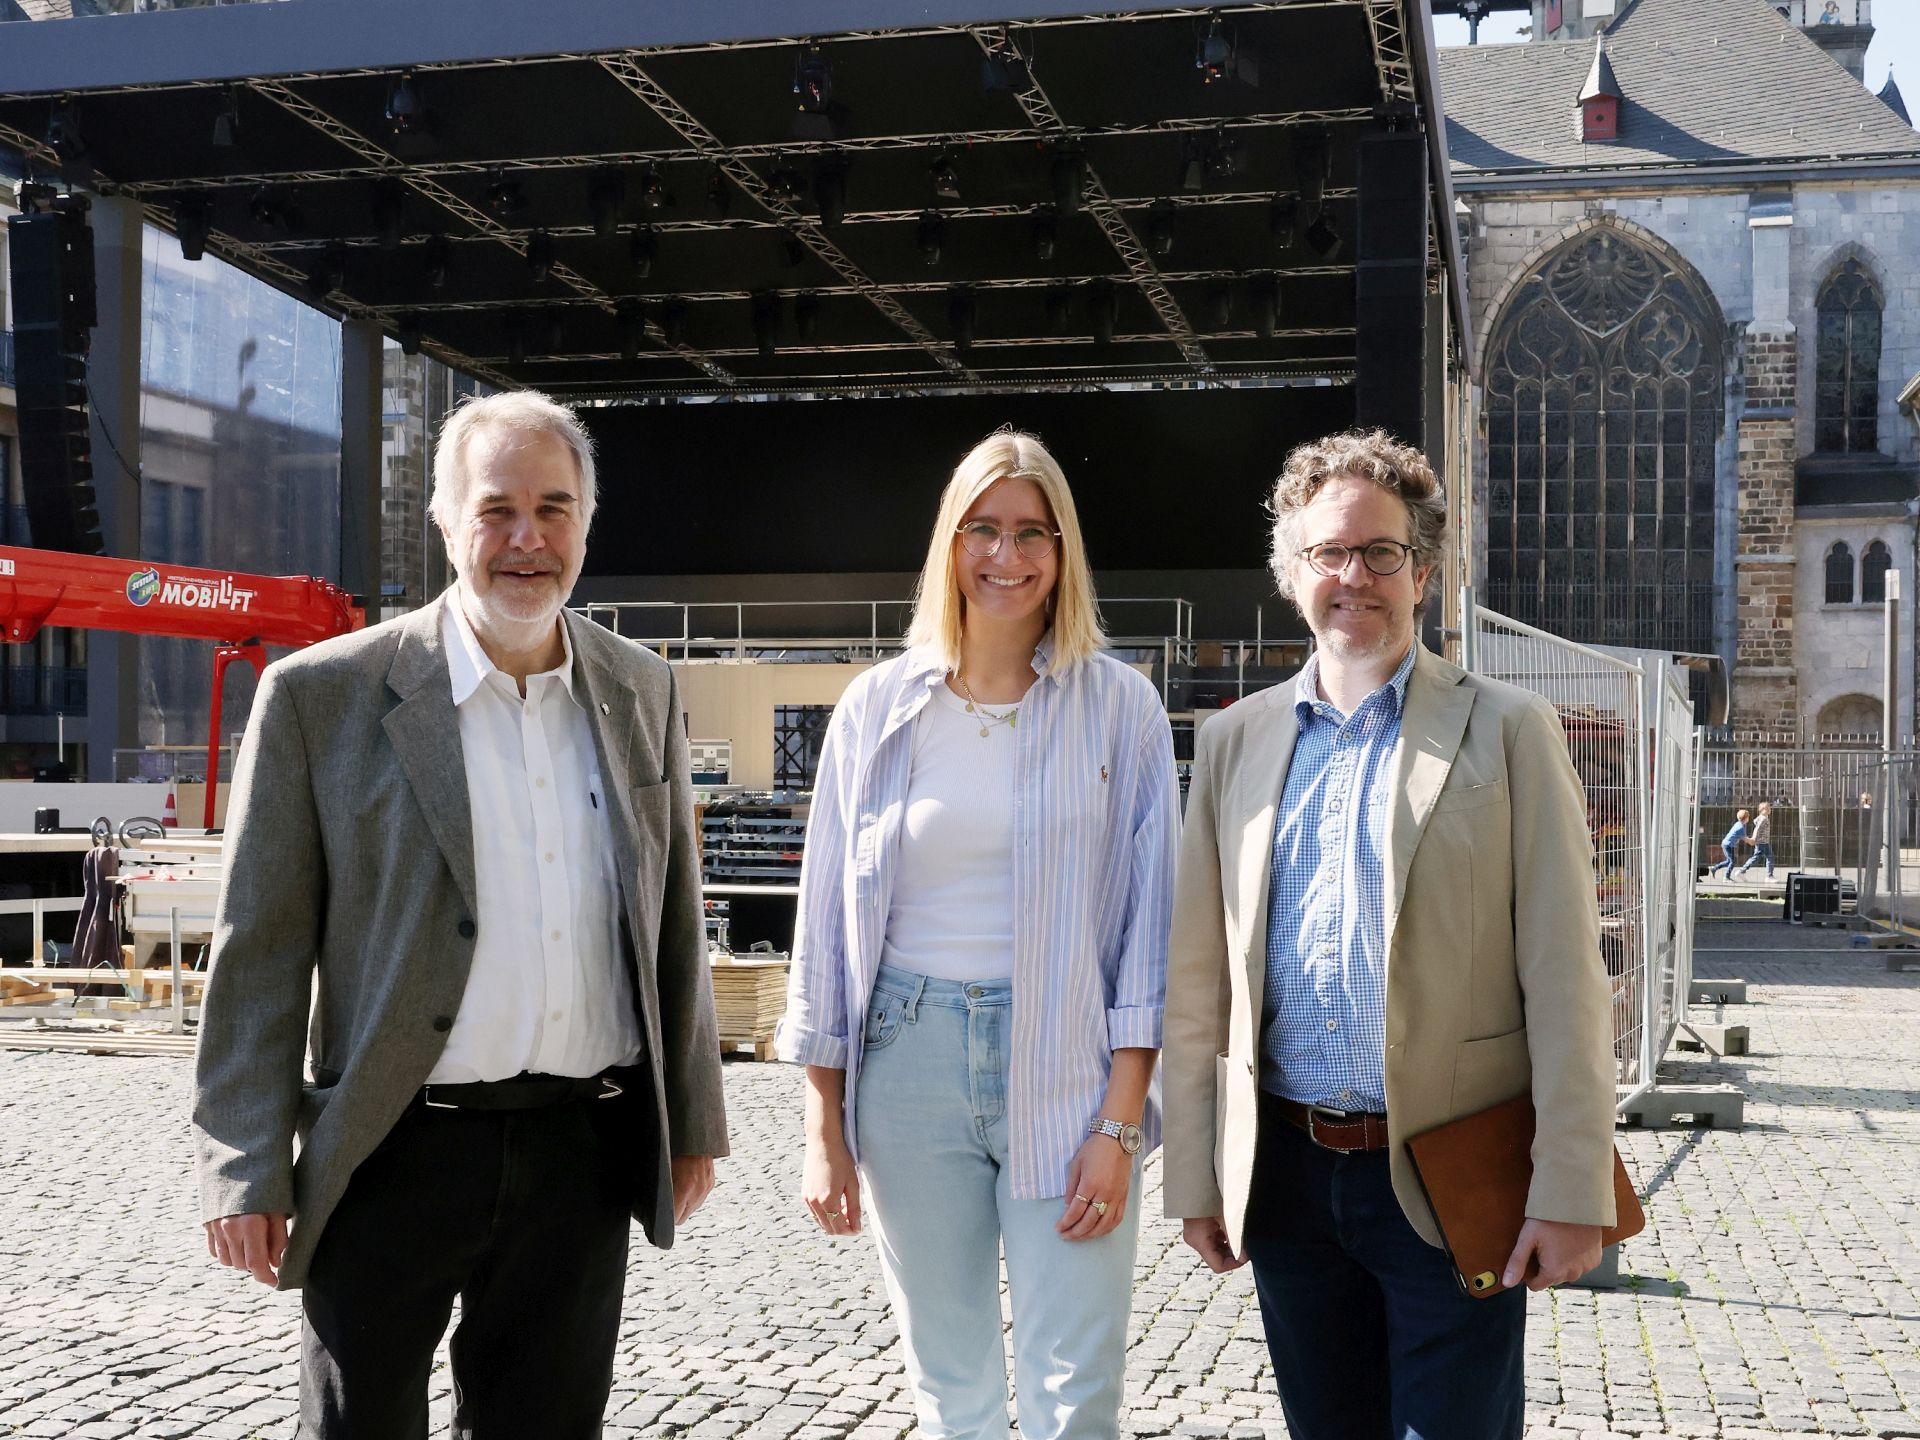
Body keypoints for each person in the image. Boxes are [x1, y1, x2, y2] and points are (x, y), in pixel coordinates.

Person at [193, 391, 729, 1439]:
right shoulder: (322, 698)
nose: (527, 538)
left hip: (582, 1148)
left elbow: (672, 924)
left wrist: (693, 1117)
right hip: (392, 1145)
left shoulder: (640, 690)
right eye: (496, 510)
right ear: (443, 522)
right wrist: (243, 1157)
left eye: (554, 508)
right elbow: (260, 946)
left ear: (586, 522)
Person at [1162, 429, 1617, 1440]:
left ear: (1423, 571)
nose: (1355, 577)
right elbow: (1199, 983)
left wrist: (1573, 1185)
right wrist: (1197, 1173)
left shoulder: (1506, 729)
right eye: (1330, 553)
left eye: (1382, 553)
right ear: (1294, 572)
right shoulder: (1235, 742)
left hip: (1454, 1175)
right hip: (1285, 1181)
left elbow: (1566, 977)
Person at [777, 428, 1177, 1440]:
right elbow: (824, 925)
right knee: (952, 1384)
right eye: (984, 530)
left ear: (1063, 551)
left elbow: (1149, 930)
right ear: (951, 545)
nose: (1007, 556)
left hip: (1069, 1067)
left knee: (1073, 1387)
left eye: (1032, 533)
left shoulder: (1120, 708)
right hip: (907, 1066)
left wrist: (1120, 1124)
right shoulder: (876, 709)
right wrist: (824, 1126)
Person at [1734, 801, 1775, 880]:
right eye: (1768, 808)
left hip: (1762, 842)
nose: (1770, 809)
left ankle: (1742, 871)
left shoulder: (1761, 817)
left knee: (1758, 857)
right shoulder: (1763, 818)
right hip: (1763, 842)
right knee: (1768, 857)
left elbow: (1755, 821)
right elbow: (1757, 828)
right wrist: (1753, 838)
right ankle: (1769, 876)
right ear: (1763, 809)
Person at [1714, 809, 1751, 880]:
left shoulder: (1738, 823)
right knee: (1732, 861)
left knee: (1729, 861)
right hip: (1728, 845)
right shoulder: (1741, 828)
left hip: (1728, 844)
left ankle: (1715, 868)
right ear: (1746, 818)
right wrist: (1753, 840)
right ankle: (1726, 877)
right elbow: (1745, 839)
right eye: (1748, 817)